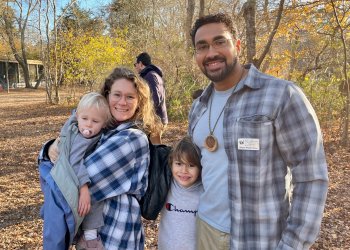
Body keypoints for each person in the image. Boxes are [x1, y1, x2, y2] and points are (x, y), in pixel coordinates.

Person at [188, 13, 328, 250]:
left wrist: (293, 245)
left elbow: (311, 177)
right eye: (202, 46)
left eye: (220, 41)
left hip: (259, 239)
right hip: (205, 231)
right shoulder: (198, 107)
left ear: (237, 45)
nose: (211, 53)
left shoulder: (281, 95)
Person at [39, 67, 162, 250]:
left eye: (130, 97)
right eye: (117, 94)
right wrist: (49, 148)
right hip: (91, 237)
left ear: (139, 102)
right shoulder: (102, 129)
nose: (122, 102)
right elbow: (67, 146)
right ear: (106, 95)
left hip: (115, 235)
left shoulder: (131, 139)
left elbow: (71, 182)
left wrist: (57, 157)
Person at [39, 92, 111, 250]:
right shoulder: (83, 138)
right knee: (57, 231)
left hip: (56, 176)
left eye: (95, 121)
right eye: (84, 119)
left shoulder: (80, 126)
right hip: (59, 180)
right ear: (78, 116)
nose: (88, 125)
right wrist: (83, 187)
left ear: (104, 123)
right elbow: (75, 161)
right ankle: (89, 238)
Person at [157, 136, 203, 250]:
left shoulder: (205, 191)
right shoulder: (165, 185)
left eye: (191, 165)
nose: (184, 171)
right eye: (178, 164)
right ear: (171, 163)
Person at [134, 52, 168, 144]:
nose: (135, 67)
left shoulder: (150, 76)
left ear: (140, 63)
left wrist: (144, 112)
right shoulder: (151, 75)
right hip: (154, 119)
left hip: (155, 120)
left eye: (135, 64)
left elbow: (155, 99)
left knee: (156, 149)